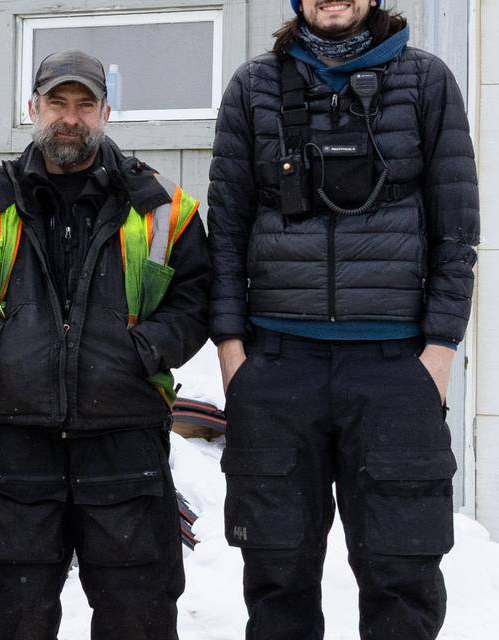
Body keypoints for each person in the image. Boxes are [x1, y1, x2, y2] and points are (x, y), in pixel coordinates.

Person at [208, 1, 479, 638]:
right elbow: (225, 230)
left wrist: (438, 350)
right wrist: (233, 353)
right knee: (277, 577)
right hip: (277, 366)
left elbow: (457, 228)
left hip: (393, 369)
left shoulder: (426, 80)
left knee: (401, 577)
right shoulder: (255, 86)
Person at [0, 49, 208, 640]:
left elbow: (197, 301)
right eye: (58, 102)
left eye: (85, 104)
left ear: (106, 112)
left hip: (125, 444)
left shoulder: (162, 208)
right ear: (34, 108)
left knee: (139, 619)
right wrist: (5, 345)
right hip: (18, 447)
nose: (70, 118)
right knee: (15, 619)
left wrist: (142, 352)